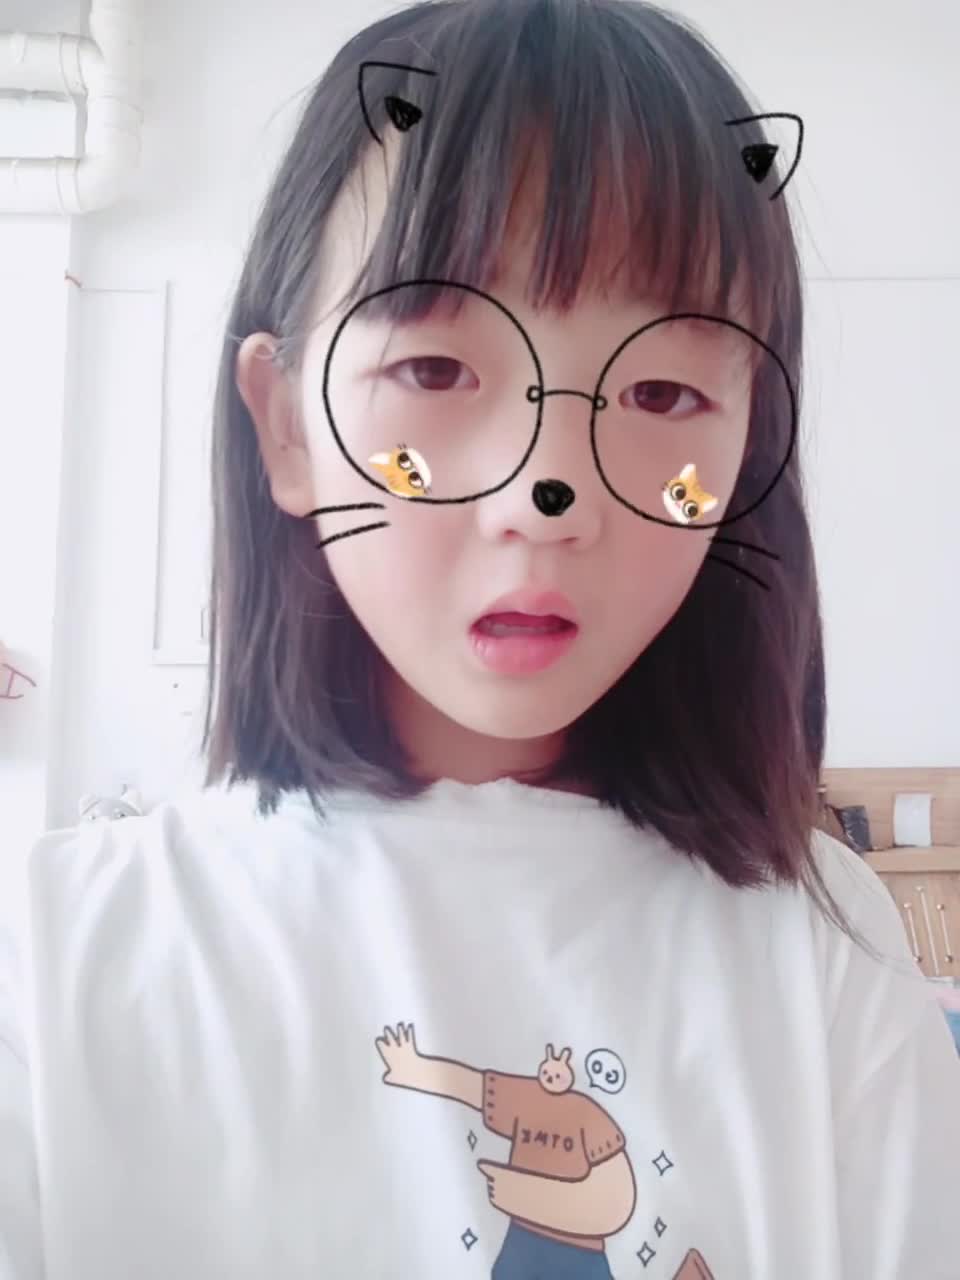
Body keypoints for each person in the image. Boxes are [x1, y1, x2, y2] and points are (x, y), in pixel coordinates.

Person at [2, 0, 959, 1276]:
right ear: (285, 425)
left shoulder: (828, 949)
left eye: (663, 389)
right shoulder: (53, 958)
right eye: (438, 370)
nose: (545, 495)